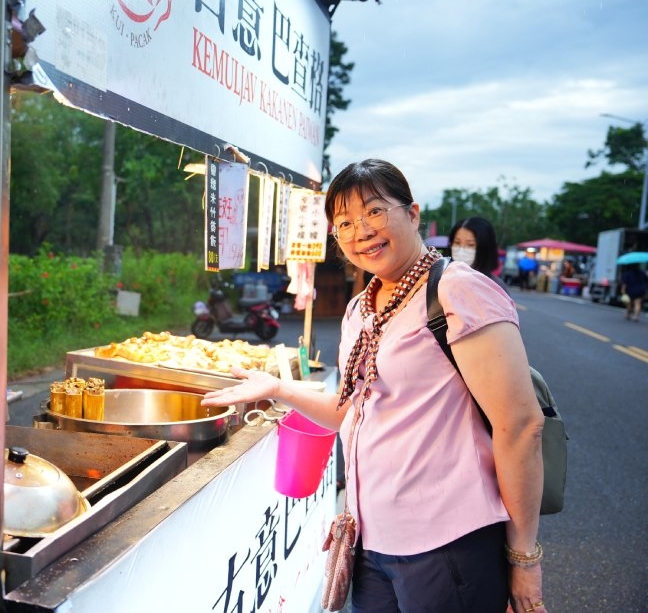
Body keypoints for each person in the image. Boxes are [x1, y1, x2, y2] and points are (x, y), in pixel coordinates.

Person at [202, 158, 547, 613]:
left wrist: (523, 557)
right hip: (372, 541)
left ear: (413, 213)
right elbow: (350, 411)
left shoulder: (456, 290)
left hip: (446, 545)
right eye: (344, 222)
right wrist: (279, 389)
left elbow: (520, 425)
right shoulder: (360, 309)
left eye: (374, 212)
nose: (360, 230)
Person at [449, 216, 509, 292]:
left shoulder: (496, 287)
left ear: (485, 247)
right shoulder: (441, 279)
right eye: (457, 243)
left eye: (470, 245)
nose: (461, 250)